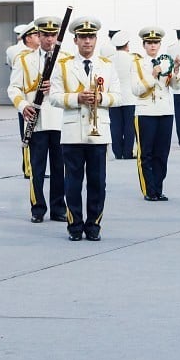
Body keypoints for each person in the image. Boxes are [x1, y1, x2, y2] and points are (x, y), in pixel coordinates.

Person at [49, 16, 122, 241]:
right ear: (75, 39)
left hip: (98, 131)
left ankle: (94, 226)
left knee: (98, 183)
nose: (87, 42)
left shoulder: (107, 66)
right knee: (72, 183)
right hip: (72, 132)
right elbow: (53, 97)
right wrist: (77, 97)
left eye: (91, 37)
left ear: (96, 39)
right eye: (83, 37)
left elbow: (118, 97)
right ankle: (74, 226)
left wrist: (101, 98)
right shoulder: (62, 65)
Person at [8, 16, 67, 223]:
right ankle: (38, 208)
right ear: (38, 36)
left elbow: (73, 88)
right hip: (36, 120)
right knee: (37, 168)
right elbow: (14, 88)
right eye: (45, 35)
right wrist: (23, 106)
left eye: (53, 35)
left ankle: (59, 208)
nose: (49, 39)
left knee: (60, 168)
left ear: (57, 36)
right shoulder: (24, 60)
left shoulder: (67, 59)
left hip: (61, 119)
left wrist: (57, 88)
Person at [132, 26, 180, 200]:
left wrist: (175, 71)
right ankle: (148, 190)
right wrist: (152, 76)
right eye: (149, 43)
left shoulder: (165, 61)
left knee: (162, 153)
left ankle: (158, 189)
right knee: (146, 153)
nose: (153, 46)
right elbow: (136, 89)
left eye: (156, 43)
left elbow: (176, 87)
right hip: (146, 112)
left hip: (165, 111)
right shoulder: (137, 63)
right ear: (144, 45)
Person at [108, 31, 137, 159]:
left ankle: (117, 152)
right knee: (129, 126)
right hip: (130, 97)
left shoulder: (109, 60)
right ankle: (128, 152)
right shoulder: (133, 58)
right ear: (126, 45)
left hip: (115, 97)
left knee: (115, 126)